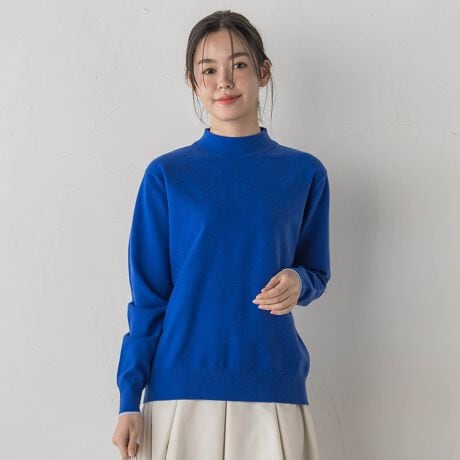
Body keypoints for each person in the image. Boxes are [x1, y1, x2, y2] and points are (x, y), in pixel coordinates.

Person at [112, 9, 331, 460]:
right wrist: (129, 398)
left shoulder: (303, 173)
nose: (224, 82)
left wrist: (299, 281)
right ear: (194, 83)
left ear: (263, 72)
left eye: (239, 64)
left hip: (272, 384)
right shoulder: (167, 176)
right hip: (180, 392)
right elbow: (148, 299)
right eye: (208, 70)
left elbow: (315, 271)